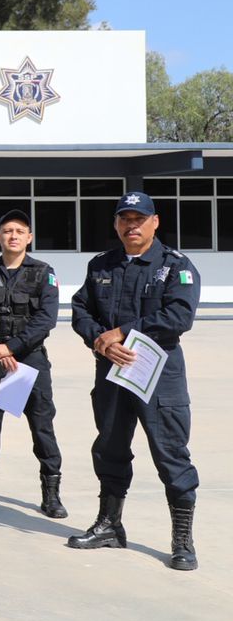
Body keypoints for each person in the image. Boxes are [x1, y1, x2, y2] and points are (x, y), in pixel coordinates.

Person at [68, 191, 201, 571]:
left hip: (160, 376)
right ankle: (110, 524)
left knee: (170, 453)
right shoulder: (101, 266)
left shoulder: (175, 266)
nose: (132, 225)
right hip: (112, 373)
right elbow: (81, 309)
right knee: (109, 447)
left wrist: (121, 332)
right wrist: (100, 341)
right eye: (124, 219)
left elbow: (179, 315)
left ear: (155, 222)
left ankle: (182, 539)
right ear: (116, 224)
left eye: (139, 219)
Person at [0, 209, 65, 518]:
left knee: (42, 426)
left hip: (28, 360)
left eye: (20, 231)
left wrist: (13, 347)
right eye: (7, 231)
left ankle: (51, 493)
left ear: (29, 237)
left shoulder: (44, 272)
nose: (13, 235)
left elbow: (46, 319)